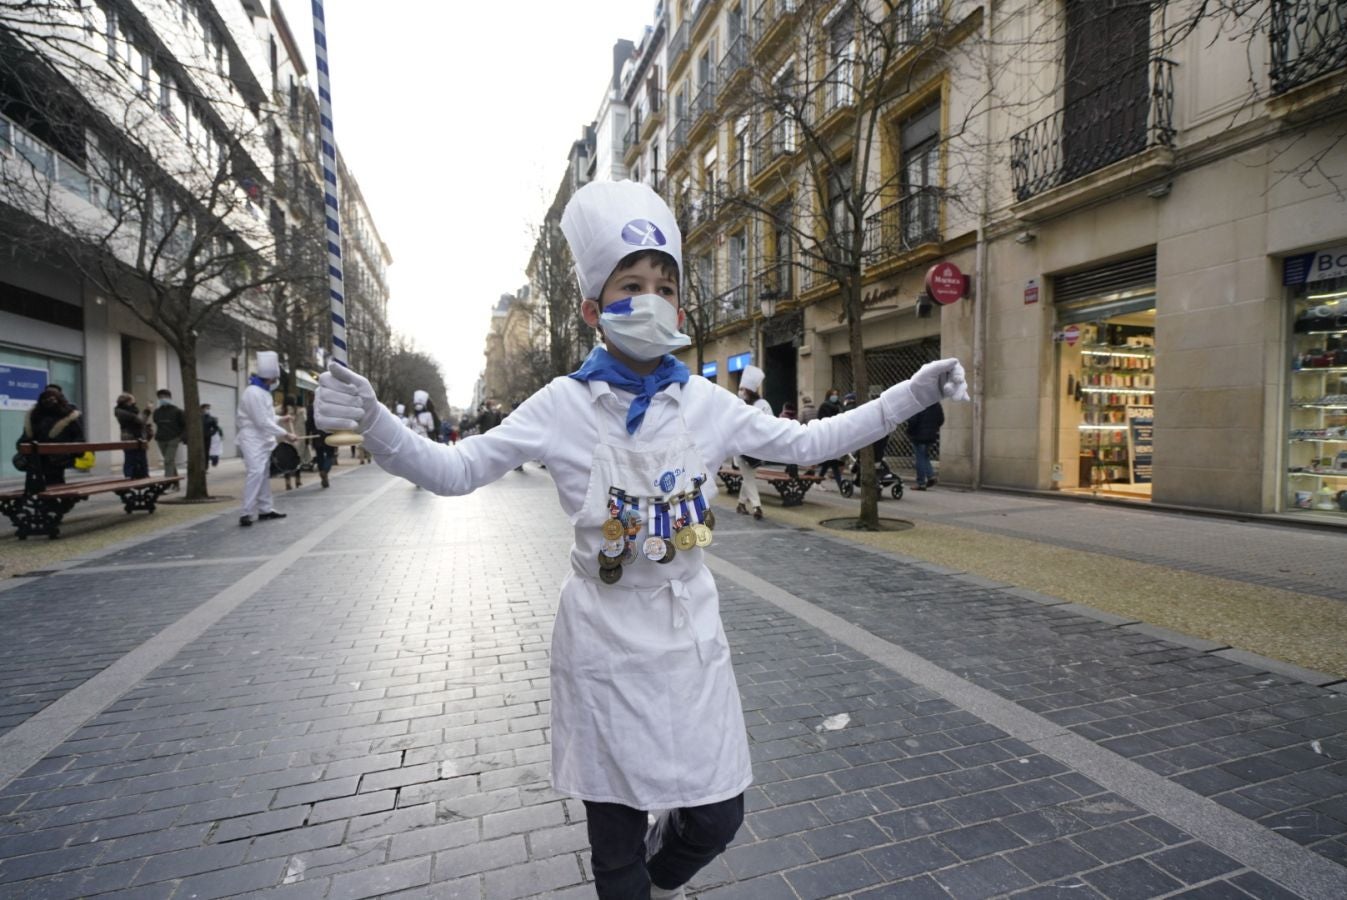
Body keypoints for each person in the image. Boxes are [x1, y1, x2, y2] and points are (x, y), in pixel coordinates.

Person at [315, 180, 967, 900]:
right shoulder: (561, 406)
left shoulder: (705, 402)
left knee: (716, 818)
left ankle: (659, 879)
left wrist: (911, 392)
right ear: (593, 309)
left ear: (679, 308)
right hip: (603, 647)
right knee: (615, 844)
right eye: (631, 286)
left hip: (690, 646)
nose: (651, 300)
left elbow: (810, 441)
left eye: (665, 287)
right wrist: (374, 422)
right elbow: (455, 469)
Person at [236, 351, 298, 527]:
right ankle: (246, 512)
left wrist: (281, 419)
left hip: (262, 438)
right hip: (252, 439)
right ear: (270, 378)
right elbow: (261, 421)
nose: (276, 381)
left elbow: (267, 417)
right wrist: (285, 434)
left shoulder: (263, 392)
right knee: (255, 472)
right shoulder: (253, 393)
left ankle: (265, 509)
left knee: (263, 474)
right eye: (275, 378)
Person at [18, 387, 84, 490]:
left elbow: (24, 439)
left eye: (51, 399)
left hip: (46, 459)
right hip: (54, 459)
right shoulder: (67, 414)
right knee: (52, 476)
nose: (49, 402)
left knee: (48, 474)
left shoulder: (36, 414)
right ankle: (55, 496)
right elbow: (79, 440)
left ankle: (51, 496)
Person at [734, 365, 772, 520]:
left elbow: (770, 422)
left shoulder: (762, 404)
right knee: (749, 478)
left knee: (748, 478)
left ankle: (741, 504)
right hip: (741, 450)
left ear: (748, 391)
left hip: (756, 449)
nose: (740, 392)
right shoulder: (740, 405)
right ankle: (757, 507)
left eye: (742, 389)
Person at [907, 400, 945, 489]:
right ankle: (930, 476)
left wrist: (909, 432)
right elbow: (941, 420)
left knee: (920, 458)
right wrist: (933, 428)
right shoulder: (936, 404)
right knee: (924, 456)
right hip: (931, 435)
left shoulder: (919, 402)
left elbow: (913, 420)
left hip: (918, 435)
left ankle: (921, 483)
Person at [151, 388, 186, 485]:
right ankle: (175, 483)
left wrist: (181, 437)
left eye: (164, 397)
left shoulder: (178, 411)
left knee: (168, 460)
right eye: (160, 397)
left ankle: (168, 483)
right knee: (169, 461)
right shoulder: (157, 411)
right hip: (161, 438)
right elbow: (156, 422)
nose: (162, 399)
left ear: (170, 397)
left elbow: (184, 425)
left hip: (173, 438)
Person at [814, 388, 845, 490]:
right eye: (833, 394)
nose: (835, 396)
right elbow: (822, 420)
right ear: (829, 396)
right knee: (833, 461)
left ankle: (817, 482)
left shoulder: (839, 406)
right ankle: (841, 486)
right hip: (829, 436)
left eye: (836, 394)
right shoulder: (825, 406)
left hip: (836, 435)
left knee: (829, 461)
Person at [114, 393, 150, 478]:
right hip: (129, 437)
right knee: (130, 458)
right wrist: (147, 411)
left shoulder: (132, 410)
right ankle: (129, 475)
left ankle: (142, 475)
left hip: (138, 438)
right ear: (128, 402)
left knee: (141, 459)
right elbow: (140, 420)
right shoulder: (122, 412)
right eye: (133, 400)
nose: (134, 401)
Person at [305, 401, 334, 488]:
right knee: (330, 455)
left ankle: (322, 472)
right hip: (328, 434)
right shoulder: (330, 406)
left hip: (316, 435)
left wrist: (307, 438)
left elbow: (308, 423)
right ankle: (325, 471)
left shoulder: (311, 407)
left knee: (319, 455)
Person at [201, 403, 223, 469]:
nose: (208, 410)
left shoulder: (211, 418)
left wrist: (211, 433)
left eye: (209, 408)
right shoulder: (198, 417)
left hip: (207, 438)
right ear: (202, 409)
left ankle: (205, 467)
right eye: (206, 408)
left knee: (206, 452)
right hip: (198, 438)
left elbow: (216, 428)